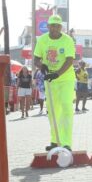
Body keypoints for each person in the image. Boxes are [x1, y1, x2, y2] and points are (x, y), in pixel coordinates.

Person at [34, 14, 76, 150]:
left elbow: (70, 60)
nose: (55, 28)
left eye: (58, 26)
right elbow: (36, 59)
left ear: (61, 27)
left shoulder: (67, 40)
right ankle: (55, 140)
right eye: (52, 25)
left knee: (66, 108)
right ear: (48, 27)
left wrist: (57, 74)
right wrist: (42, 66)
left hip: (65, 78)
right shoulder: (42, 40)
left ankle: (66, 142)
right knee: (52, 110)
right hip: (50, 79)